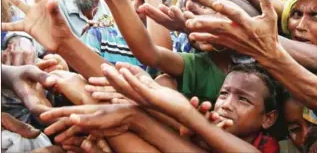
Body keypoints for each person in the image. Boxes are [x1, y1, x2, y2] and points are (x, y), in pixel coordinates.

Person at [41, 62, 280, 153]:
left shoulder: (267, 148)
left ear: (268, 119)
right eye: (224, 94)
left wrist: (136, 117)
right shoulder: (203, 129)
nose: (226, 105)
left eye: (243, 100)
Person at [81, 0, 174, 70]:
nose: (134, 7)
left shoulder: (172, 42)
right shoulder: (99, 34)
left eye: (146, 0)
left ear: (161, 5)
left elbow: (163, 67)